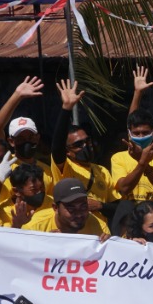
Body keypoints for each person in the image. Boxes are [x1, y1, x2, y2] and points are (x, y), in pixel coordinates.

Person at [49, 80, 113, 218]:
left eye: (87, 141)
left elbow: (116, 206)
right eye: (78, 145)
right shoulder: (64, 167)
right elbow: (57, 147)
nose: (85, 146)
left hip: (100, 235)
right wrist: (66, 108)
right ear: (67, 151)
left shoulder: (102, 171)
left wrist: (101, 206)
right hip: (75, 234)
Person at [111, 109, 153, 208]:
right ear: (129, 134)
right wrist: (142, 162)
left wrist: (141, 161)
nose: (141, 137)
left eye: (145, 133)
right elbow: (124, 189)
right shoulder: (118, 158)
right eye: (136, 133)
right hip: (130, 216)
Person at [24, 178, 108, 236]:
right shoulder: (34, 228)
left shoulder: (100, 228)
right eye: (71, 209)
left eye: (83, 207)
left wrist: (108, 245)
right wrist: (44, 245)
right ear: (55, 208)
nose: (79, 214)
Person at [0, 163, 53, 228]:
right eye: (34, 189)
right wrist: (17, 225)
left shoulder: (53, 203)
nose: (40, 192)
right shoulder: (3, 212)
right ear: (17, 191)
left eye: (42, 187)